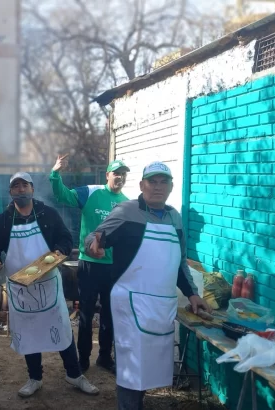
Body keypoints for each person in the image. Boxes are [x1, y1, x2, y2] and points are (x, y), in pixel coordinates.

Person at [84, 161, 210, 410]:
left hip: (160, 308)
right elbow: (94, 236)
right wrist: (93, 246)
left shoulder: (175, 217)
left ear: (172, 186)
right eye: (152, 181)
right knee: (131, 368)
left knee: (149, 365)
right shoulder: (126, 212)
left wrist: (192, 294)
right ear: (142, 185)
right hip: (130, 306)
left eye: (164, 182)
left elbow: (179, 261)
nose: (158, 186)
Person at [0, 172, 99, 398]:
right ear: (11, 192)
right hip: (20, 288)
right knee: (28, 332)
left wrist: (59, 252)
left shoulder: (48, 214)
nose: (20, 190)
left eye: (24, 185)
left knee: (62, 329)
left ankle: (74, 374)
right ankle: (34, 378)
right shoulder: (4, 219)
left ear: (32, 189)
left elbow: (65, 238)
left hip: (47, 284)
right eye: (16, 186)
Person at [49, 155, 129, 373]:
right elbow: (62, 195)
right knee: (85, 313)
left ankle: (104, 357)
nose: (120, 177)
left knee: (109, 315)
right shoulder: (91, 192)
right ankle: (82, 359)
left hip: (114, 268)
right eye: (116, 173)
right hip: (90, 265)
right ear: (107, 175)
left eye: (123, 174)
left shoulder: (127, 203)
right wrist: (56, 174)